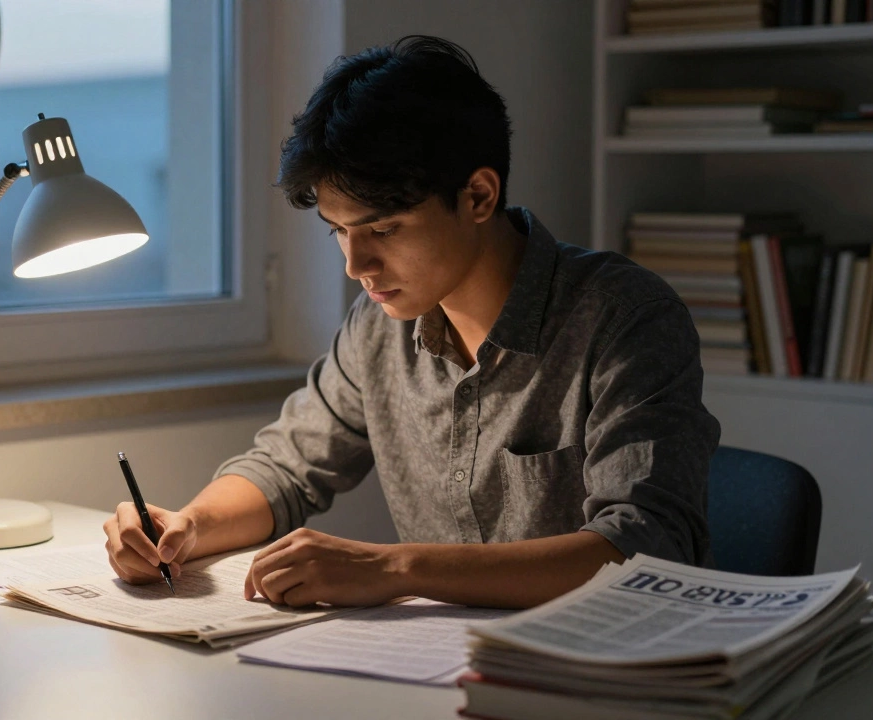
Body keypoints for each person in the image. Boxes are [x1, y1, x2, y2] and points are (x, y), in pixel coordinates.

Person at [103, 35, 720, 609]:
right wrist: (185, 526)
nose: (357, 265)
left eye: (382, 229)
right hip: (438, 670)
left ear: (478, 196)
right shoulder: (382, 327)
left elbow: (644, 549)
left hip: (599, 670)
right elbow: (286, 467)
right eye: (339, 233)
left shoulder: (624, 318)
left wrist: (393, 570)